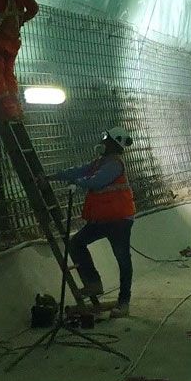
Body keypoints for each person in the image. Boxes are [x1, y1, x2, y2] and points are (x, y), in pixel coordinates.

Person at [50, 126, 137, 319]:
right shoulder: (100, 162)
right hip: (103, 219)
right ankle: (93, 284)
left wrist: (79, 181)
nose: (102, 144)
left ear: (113, 144)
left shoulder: (114, 164)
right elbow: (79, 171)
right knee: (76, 243)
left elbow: (97, 182)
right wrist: (55, 176)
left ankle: (124, 302)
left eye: (106, 141)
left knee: (123, 259)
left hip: (119, 220)